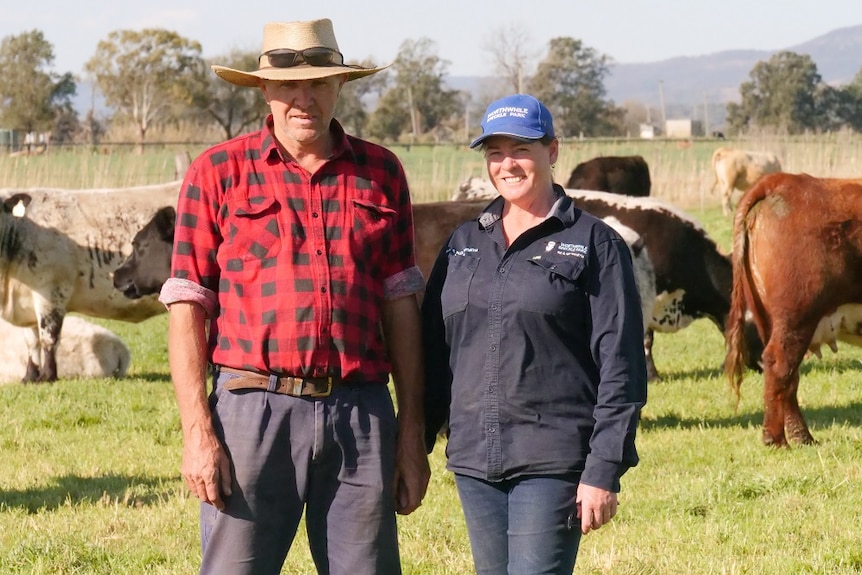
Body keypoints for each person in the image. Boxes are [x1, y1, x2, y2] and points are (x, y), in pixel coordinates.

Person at [158, 18, 430, 575]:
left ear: (341, 87)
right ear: (264, 89)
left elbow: (400, 305)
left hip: (360, 410)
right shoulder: (218, 172)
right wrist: (198, 433)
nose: (303, 99)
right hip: (251, 412)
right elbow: (188, 307)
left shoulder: (381, 172)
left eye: (319, 83)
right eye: (288, 86)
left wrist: (411, 433)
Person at [421, 94, 647, 574]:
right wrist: (413, 447)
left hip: (553, 458)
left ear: (553, 150)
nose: (507, 164)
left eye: (521, 148)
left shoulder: (595, 244)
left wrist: (603, 469)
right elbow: (436, 356)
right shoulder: (464, 244)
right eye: (495, 152)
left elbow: (621, 367)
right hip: (474, 462)